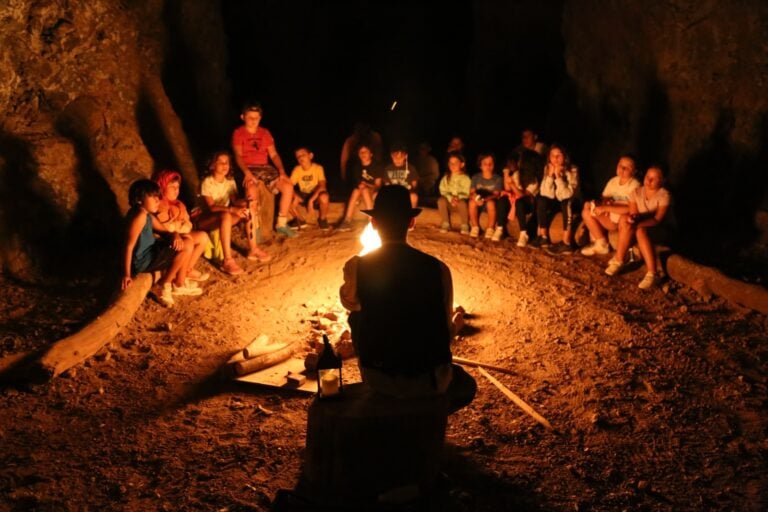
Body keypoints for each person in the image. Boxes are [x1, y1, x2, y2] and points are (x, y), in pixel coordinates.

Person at [340, 185, 476, 413]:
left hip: (379, 377)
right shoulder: (438, 269)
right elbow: (445, 331)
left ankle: (384, 398)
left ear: (373, 224)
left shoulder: (357, 266)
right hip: (430, 379)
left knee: (356, 315)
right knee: (466, 385)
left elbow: (348, 302)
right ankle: (426, 412)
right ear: (411, 223)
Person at [122, 179, 201, 308]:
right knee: (186, 245)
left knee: (185, 240)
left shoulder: (146, 214)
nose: (158, 201)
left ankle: (176, 282)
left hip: (151, 252)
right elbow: (128, 246)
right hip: (143, 260)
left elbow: (165, 231)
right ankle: (163, 284)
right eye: (153, 198)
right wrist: (127, 274)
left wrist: (175, 235)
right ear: (139, 200)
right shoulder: (139, 216)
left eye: (158, 198)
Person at [195, 150, 271, 276]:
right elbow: (212, 208)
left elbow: (234, 201)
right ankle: (227, 261)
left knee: (248, 209)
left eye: (227, 163)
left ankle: (253, 249)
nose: (225, 165)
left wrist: (248, 202)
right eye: (221, 162)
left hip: (225, 216)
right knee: (225, 215)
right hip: (205, 220)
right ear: (212, 165)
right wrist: (232, 209)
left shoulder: (230, 181)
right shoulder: (206, 182)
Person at [231, 101, 297, 238]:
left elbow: (273, 154)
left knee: (288, 187)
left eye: (257, 117)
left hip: (265, 168)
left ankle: (281, 223)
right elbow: (237, 155)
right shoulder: (238, 133)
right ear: (243, 117)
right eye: (250, 117)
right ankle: (255, 228)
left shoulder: (265, 133)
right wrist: (247, 173)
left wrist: (282, 171)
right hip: (247, 167)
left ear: (260, 118)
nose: (254, 120)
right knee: (251, 190)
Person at [605, 165, 671, 289]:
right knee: (625, 218)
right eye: (647, 177)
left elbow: (657, 220)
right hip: (641, 226)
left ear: (662, 181)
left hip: (660, 229)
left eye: (654, 178)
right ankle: (619, 260)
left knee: (640, 230)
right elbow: (635, 214)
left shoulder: (664, 195)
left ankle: (653, 273)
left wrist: (637, 224)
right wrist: (632, 219)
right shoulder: (636, 192)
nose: (649, 180)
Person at [153, 169, 211, 284]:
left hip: (180, 234)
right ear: (162, 187)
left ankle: (187, 270)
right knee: (187, 241)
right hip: (167, 239)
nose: (176, 190)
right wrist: (180, 226)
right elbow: (167, 228)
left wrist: (179, 226)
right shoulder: (159, 205)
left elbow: (188, 225)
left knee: (203, 236)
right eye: (172, 187)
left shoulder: (179, 204)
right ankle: (178, 280)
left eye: (177, 187)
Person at [580, 155, 641, 256]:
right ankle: (600, 241)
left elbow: (631, 209)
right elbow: (604, 198)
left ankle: (600, 242)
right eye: (621, 165)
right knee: (587, 208)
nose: (622, 169)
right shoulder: (613, 181)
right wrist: (600, 203)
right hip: (609, 215)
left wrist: (607, 207)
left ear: (634, 171)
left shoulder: (635, 185)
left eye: (627, 167)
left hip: (620, 220)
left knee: (589, 212)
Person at [531, 144, 579, 252]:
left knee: (566, 202)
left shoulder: (573, 170)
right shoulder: (547, 168)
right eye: (553, 155)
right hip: (555, 199)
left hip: (570, 201)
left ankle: (566, 242)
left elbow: (568, 194)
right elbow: (544, 192)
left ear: (565, 157)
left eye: (559, 155)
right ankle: (543, 237)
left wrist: (558, 177)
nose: (555, 158)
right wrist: (549, 176)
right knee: (541, 199)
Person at [497, 150, 541, 247]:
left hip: (529, 204)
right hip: (516, 201)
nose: (518, 163)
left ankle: (523, 233)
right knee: (502, 200)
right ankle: (500, 228)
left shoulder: (534, 180)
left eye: (520, 161)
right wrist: (506, 174)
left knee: (520, 202)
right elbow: (508, 189)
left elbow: (522, 195)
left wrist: (512, 184)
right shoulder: (518, 174)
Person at [337, 144, 384, 231]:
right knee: (356, 190)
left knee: (365, 190)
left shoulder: (377, 166)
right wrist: (362, 186)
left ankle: (371, 220)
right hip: (361, 190)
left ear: (371, 154)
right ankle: (347, 220)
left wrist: (367, 186)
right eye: (360, 152)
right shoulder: (357, 167)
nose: (362, 154)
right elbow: (357, 183)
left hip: (373, 189)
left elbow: (378, 185)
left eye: (365, 152)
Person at [289, 146, 330, 230]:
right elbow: (289, 186)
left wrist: (311, 200)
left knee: (324, 196)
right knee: (286, 197)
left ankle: (322, 220)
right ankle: (300, 220)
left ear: (310, 156)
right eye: (298, 156)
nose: (300, 157)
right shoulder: (297, 169)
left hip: (315, 194)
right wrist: (294, 195)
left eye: (303, 155)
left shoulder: (318, 168)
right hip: (303, 194)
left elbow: (322, 186)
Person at [468, 152, 504, 241]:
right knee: (471, 203)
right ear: (480, 165)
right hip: (478, 202)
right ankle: (475, 226)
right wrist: (475, 198)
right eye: (485, 164)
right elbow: (471, 192)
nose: (488, 166)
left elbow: (496, 194)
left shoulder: (497, 179)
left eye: (490, 164)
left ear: (494, 165)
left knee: (491, 203)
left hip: (489, 202)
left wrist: (485, 199)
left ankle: (490, 228)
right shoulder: (476, 177)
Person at [436, 151, 471, 234]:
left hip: (460, 204)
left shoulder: (466, 178)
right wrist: (450, 198)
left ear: (462, 164)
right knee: (441, 201)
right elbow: (442, 190)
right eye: (450, 163)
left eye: (455, 163)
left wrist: (458, 197)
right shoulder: (446, 178)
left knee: (462, 203)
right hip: (450, 203)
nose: (452, 165)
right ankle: (445, 223)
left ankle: (465, 225)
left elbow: (468, 192)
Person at [340, 122, 384, 186]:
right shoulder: (350, 141)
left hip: (372, 167)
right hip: (356, 168)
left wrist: (376, 168)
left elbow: (379, 154)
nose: (362, 131)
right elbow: (344, 160)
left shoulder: (375, 137)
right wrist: (343, 176)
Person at [382, 143, 419, 208]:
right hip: (393, 193)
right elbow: (387, 186)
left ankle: (411, 217)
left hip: (407, 194)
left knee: (414, 197)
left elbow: (414, 186)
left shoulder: (411, 169)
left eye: (400, 157)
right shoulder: (388, 169)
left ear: (405, 156)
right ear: (391, 156)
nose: (397, 159)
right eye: (395, 157)